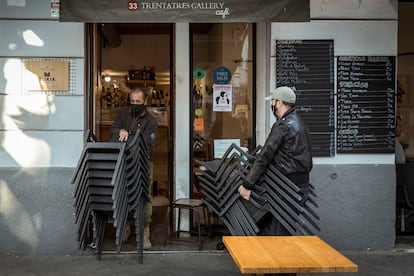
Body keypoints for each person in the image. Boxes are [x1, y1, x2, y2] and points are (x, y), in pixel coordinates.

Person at [238, 86, 313, 236]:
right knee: (282, 230)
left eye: (273, 101)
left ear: (279, 103)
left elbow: (265, 156)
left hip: (285, 187)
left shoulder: (283, 125)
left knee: (279, 235)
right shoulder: (300, 122)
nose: (272, 105)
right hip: (300, 185)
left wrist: (247, 184)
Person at [110, 87, 158, 249]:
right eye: (133, 101)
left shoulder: (151, 121)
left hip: (143, 162)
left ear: (145, 101)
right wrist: (120, 130)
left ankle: (144, 229)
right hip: (124, 161)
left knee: (145, 196)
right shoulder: (123, 114)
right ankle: (125, 226)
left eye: (139, 101)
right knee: (123, 192)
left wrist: (128, 136)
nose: (135, 104)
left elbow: (148, 141)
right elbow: (113, 130)